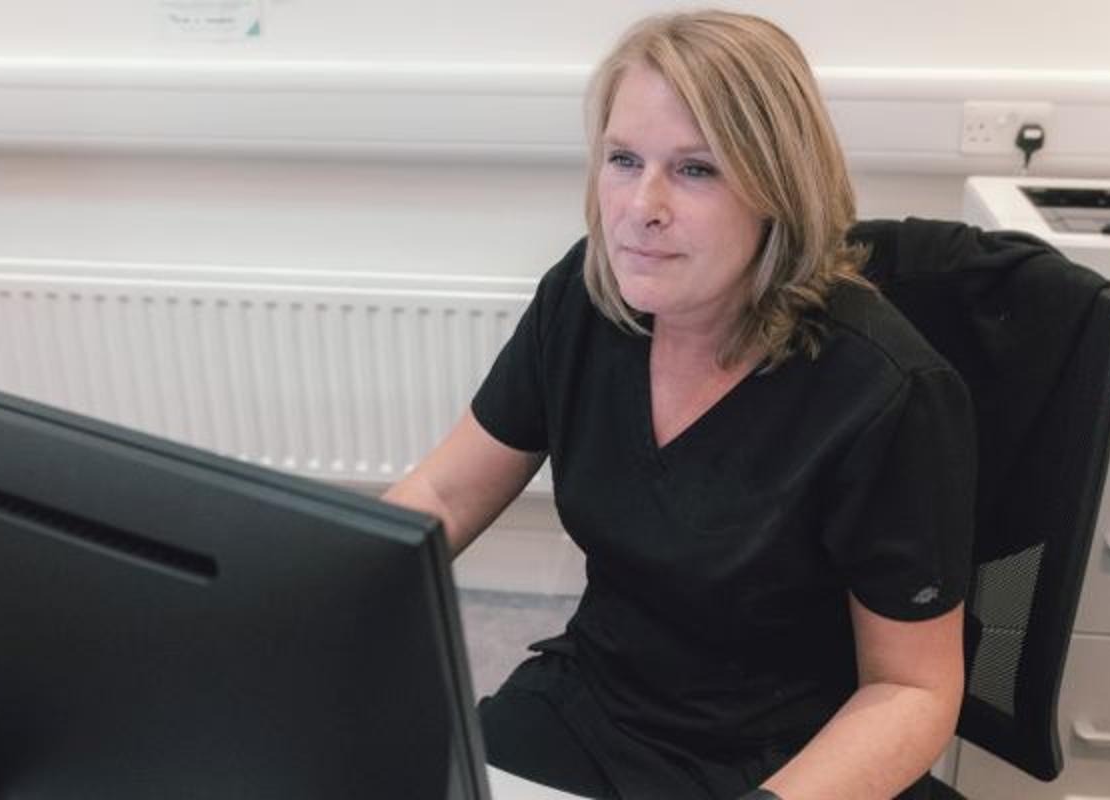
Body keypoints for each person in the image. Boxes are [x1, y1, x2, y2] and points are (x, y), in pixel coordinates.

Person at [383, 10, 975, 800]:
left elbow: (913, 691)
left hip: (790, 757)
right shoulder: (586, 303)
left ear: (778, 187)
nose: (641, 206)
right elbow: (445, 493)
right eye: (623, 159)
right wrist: (317, 595)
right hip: (595, 705)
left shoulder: (884, 392)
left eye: (696, 169)